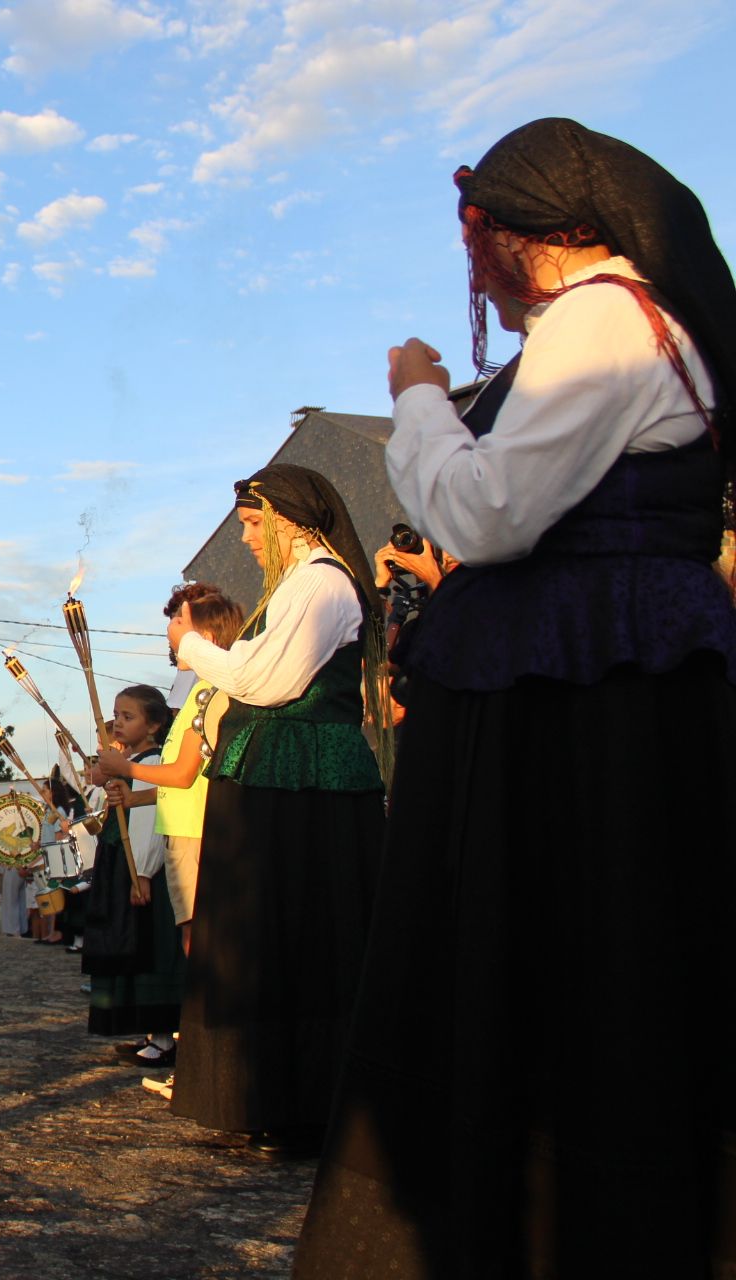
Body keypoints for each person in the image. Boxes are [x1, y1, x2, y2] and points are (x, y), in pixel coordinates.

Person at [297, 120, 736, 1277]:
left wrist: (421, 397)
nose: (475, 264)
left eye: (479, 235)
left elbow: (486, 515)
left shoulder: (602, 317)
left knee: (557, 951)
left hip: (577, 692)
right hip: (590, 674)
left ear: (516, 229)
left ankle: (540, 1213)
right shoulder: (616, 323)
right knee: (595, 952)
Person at [165, 464, 391, 1159]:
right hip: (275, 775)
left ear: (294, 519)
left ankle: (303, 1100)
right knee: (265, 938)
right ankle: (267, 1096)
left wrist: (193, 649)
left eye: (256, 524)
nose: (249, 538)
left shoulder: (322, 581)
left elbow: (270, 680)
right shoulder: (295, 587)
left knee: (300, 932)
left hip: (305, 781)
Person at [96, 585, 246, 953]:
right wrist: (137, 798)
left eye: (180, 623)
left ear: (205, 638)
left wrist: (126, 770)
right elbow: (182, 784)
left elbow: (182, 774)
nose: (170, 632)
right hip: (184, 827)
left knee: (198, 937)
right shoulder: (200, 692)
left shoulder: (209, 692)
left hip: (193, 833)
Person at [84, 686, 180, 1065]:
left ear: (154, 724)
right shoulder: (134, 763)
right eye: (117, 716)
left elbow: (151, 825)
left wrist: (142, 872)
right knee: (131, 948)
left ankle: (163, 1036)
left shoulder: (153, 765)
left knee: (149, 950)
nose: (118, 724)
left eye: (129, 717)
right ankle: (148, 1031)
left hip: (140, 869)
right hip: (123, 866)